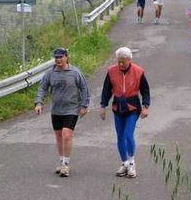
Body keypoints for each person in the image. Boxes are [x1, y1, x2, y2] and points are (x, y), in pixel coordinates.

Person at [35, 48, 90, 177]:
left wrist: (84, 105)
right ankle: (61, 161)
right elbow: (42, 88)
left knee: (67, 134)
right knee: (59, 136)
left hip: (72, 108)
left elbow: (84, 88)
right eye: (56, 57)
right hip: (56, 109)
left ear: (66, 57)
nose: (58, 60)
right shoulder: (50, 73)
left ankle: (66, 164)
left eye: (61, 57)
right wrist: (38, 103)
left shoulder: (75, 72)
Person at [99, 47, 150, 178]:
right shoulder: (111, 71)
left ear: (129, 60)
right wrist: (103, 106)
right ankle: (124, 163)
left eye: (123, 61)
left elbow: (145, 90)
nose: (120, 64)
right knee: (120, 136)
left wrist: (146, 106)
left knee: (128, 134)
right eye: (119, 61)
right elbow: (106, 90)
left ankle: (132, 163)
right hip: (118, 107)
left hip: (133, 107)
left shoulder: (138, 71)